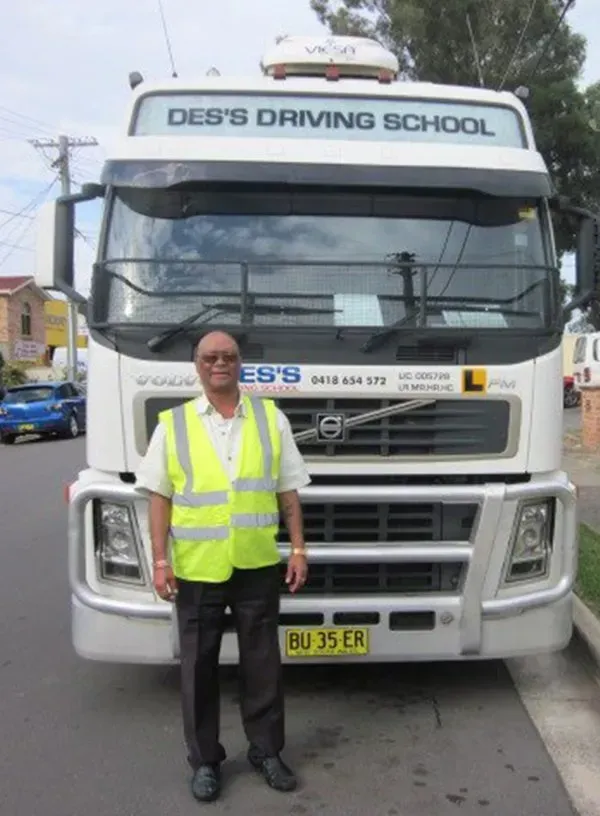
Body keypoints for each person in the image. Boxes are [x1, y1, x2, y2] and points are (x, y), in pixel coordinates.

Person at [135, 330, 310, 803]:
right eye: (210, 357)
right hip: (196, 569)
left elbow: (288, 490)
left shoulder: (270, 418)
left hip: (255, 563)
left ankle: (266, 751)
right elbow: (159, 498)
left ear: (240, 364)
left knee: (263, 663)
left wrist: (298, 549)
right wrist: (159, 560)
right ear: (197, 365)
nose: (220, 363)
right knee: (197, 668)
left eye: (228, 356)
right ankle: (205, 760)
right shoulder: (173, 424)